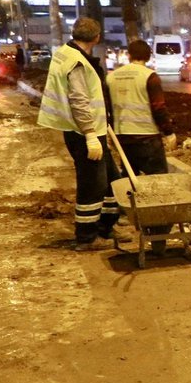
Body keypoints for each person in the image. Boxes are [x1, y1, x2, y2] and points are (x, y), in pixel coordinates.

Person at [37, 17, 124, 250]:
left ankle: (105, 228)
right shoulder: (76, 62)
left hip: (90, 130)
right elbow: (79, 100)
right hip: (83, 133)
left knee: (112, 182)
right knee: (92, 185)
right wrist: (90, 134)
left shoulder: (66, 54)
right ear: (97, 38)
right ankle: (86, 237)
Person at [106, 39, 178, 175]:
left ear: (129, 55)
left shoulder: (111, 77)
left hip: (122, 136)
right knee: (158, 178)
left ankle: (131, 197)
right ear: (148, 56)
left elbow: (107, 108)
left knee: (130, 178)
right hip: (147, 137)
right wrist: (168, 132)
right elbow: (158, 107)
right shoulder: (149, 76)